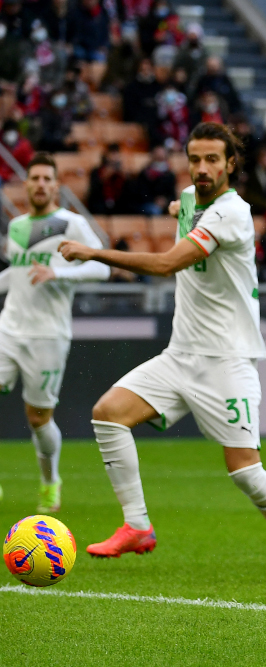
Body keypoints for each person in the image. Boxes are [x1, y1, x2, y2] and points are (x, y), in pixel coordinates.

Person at [58, 122, 266, 570]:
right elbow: (186, 206)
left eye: (212, 159)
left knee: (246, 472)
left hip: (227, 361)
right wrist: (179, 209)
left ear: (231, 163)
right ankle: (137, 526)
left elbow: (168, 263)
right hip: (180, 355)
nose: (202, 168)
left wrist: (95, 253)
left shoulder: (233, 213)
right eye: (195, 159)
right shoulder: (191, 198)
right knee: (108, 414)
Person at [0, 153, 110, 515]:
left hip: (48, 335)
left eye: (47, 179)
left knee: (38, 418)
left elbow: (103, 268)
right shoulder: (17, 226)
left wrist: (59, 273)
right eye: (35, 178)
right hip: (8, 327)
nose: (41, 184)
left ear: (57, 186)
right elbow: (18, 275)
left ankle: (50, 481)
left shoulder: (72, 224)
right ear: (26, 184)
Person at [133, 145, 177, 216]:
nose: (160, 162)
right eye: (158, 158)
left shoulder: (170, 175)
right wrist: (155, 200)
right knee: (155, 210)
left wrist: (165, 201)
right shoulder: (145, 174)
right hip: (148, 204)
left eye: (162, 159)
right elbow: (141, 194)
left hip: (165, 205)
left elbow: (172, 194)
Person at [87, 145, 128, 215]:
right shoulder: (97, 171)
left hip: (118, 203)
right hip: (100, 202)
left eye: (116, 154)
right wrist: (104, 178)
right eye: (112, 153)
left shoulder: (121, 172)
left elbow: (127, 191)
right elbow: (93, 190)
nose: (114, 157)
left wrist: (125, 177)